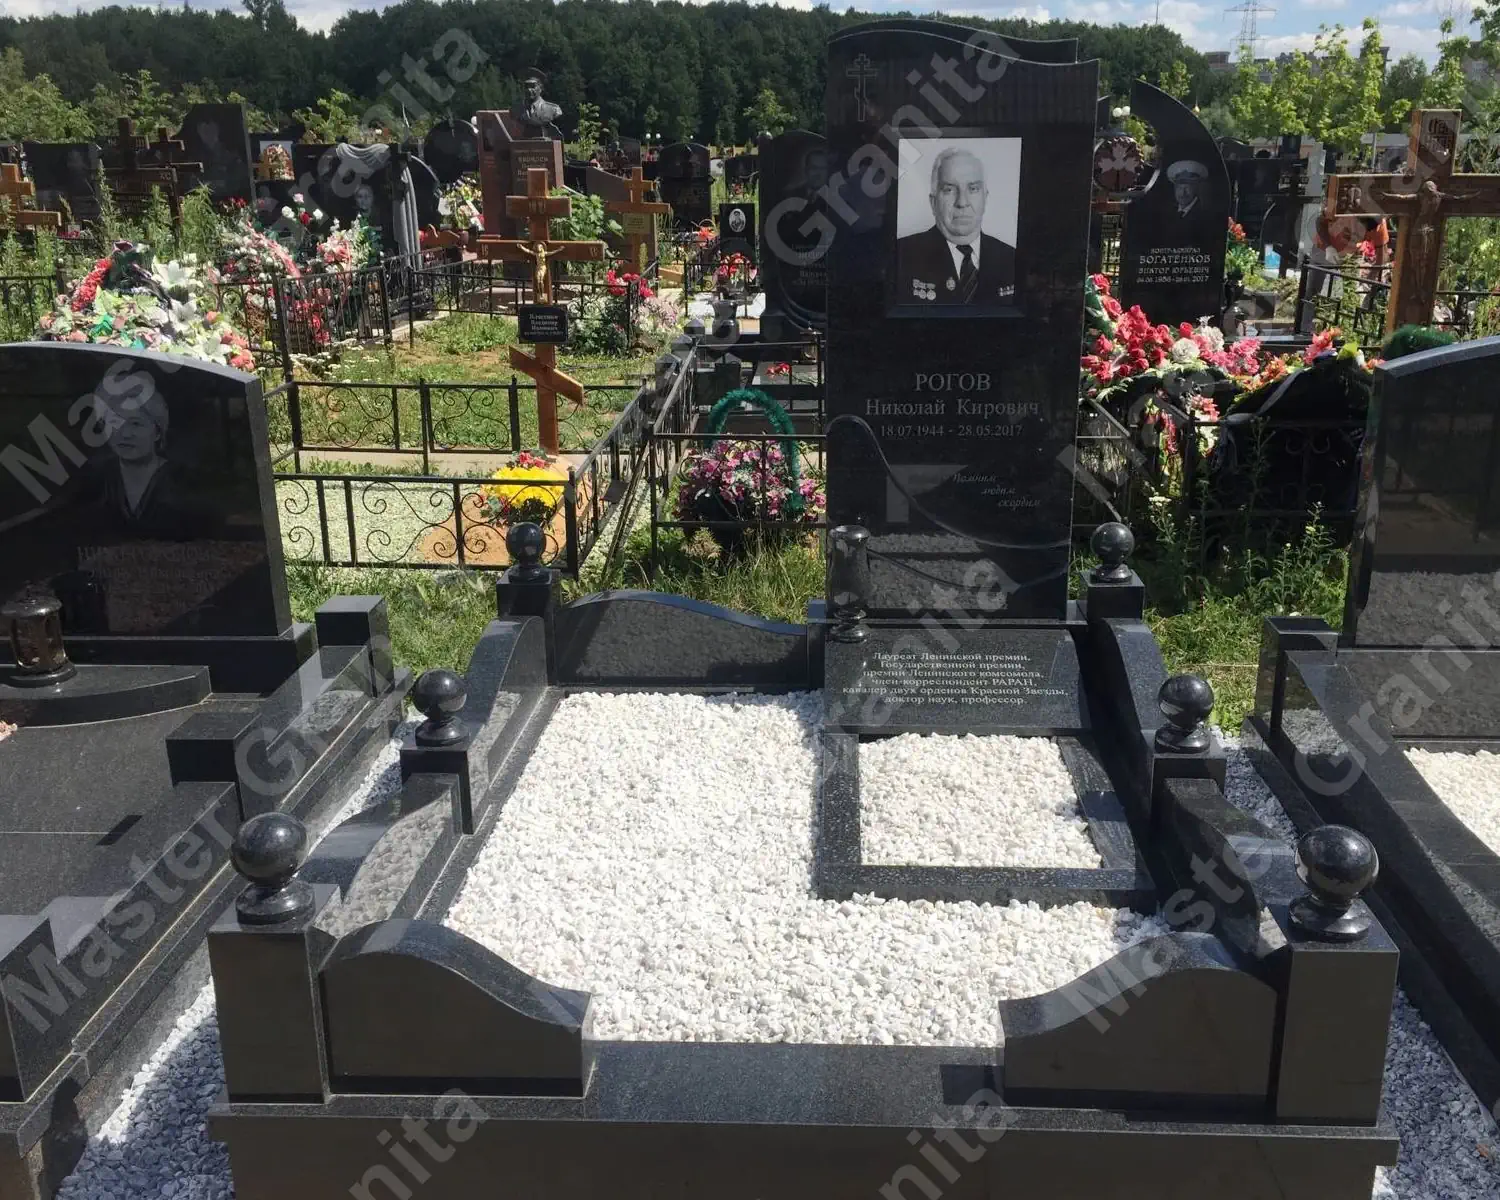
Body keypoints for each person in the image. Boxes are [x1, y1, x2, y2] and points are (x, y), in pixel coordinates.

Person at [895, 146, 1015, 306]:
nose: (962, 202)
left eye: (973, 189)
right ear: (933, 202)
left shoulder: (1012, 259)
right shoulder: (901, 256)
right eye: (949, 190)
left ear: (985, 199)